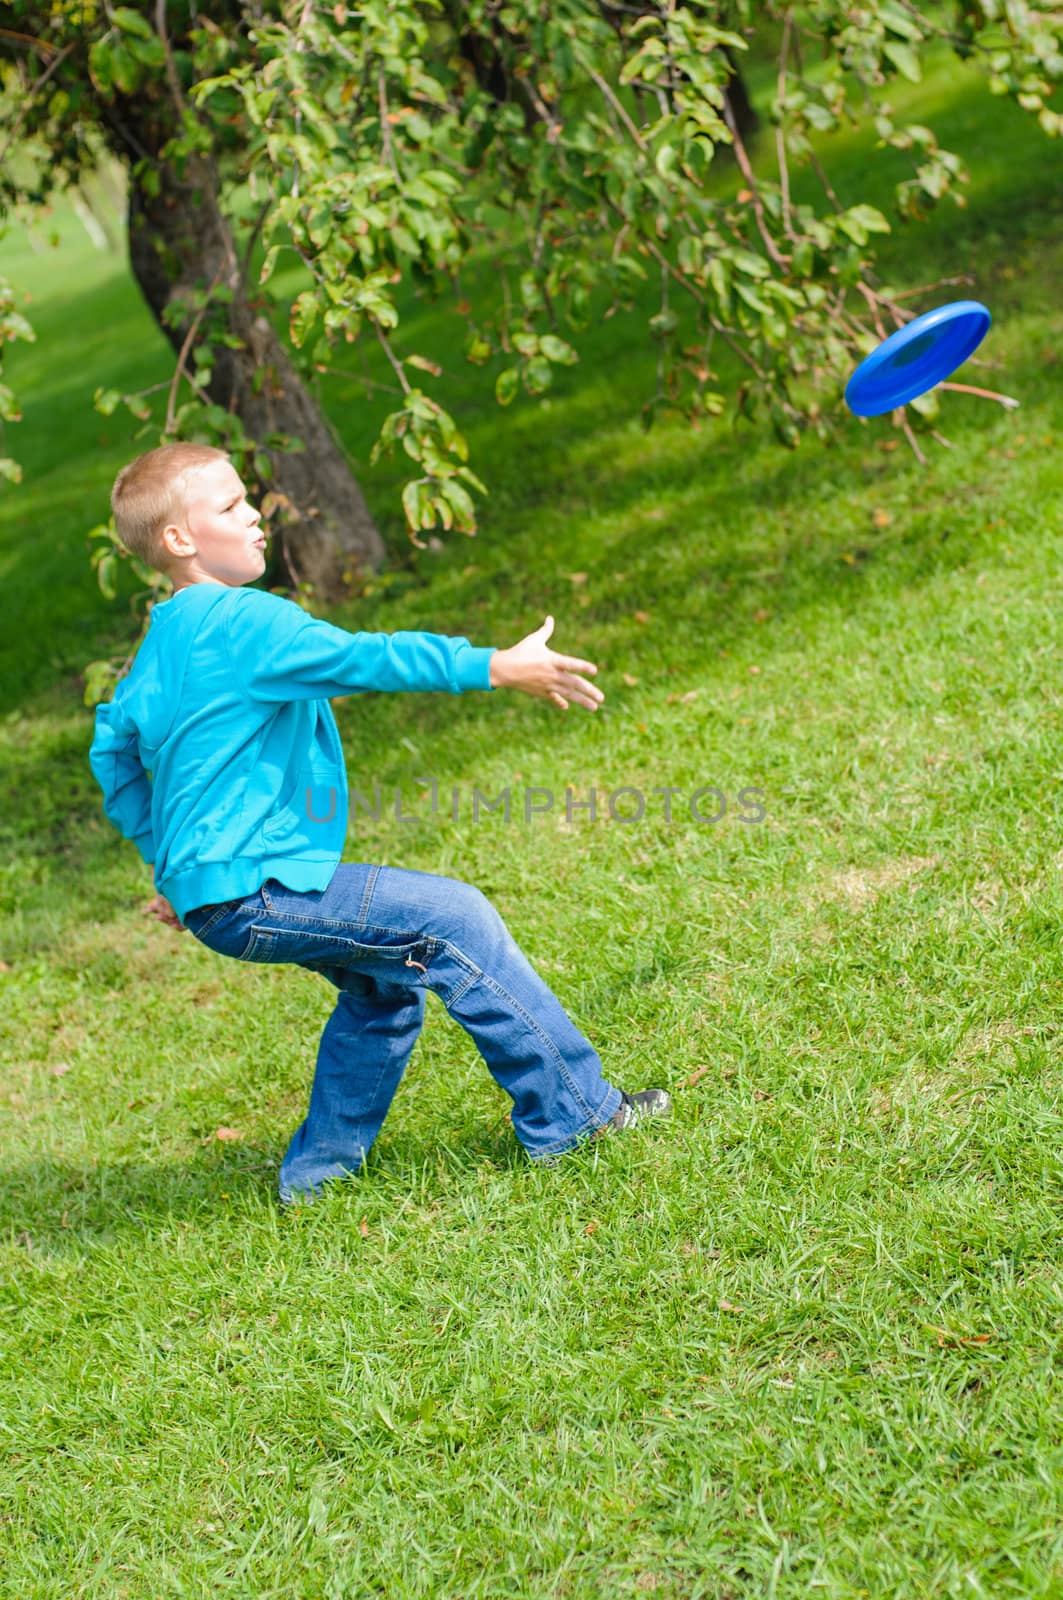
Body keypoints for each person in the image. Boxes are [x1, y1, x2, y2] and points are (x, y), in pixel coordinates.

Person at [88, 442, 671, 1206]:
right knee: (452, 916)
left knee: (381, 992)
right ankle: (575, 1116)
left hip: (219, 896)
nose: (255, 513)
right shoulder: (243, 623)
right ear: (178, 540)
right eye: (230, 505)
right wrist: (492, 665)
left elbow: (113, 755)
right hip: (254, 893)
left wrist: (174, 867)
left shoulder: (158, 644)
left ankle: (316, 1179)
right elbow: (367, 658)